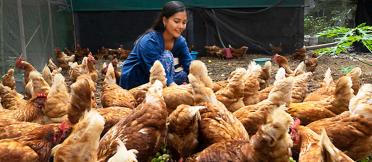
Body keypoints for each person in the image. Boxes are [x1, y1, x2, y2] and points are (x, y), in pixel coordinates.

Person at [119, 1, 192, 89]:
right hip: (136, 80)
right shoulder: (150, 41)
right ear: (165, 20)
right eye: (176, 21)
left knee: (186, 75)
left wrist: (202, 82)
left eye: (184, 22)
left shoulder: (180, 41)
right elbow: (156, 71)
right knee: (167, 56)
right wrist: (174, 88)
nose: (181, 26)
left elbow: (189, 64)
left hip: (158, 79)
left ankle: (168, 88)